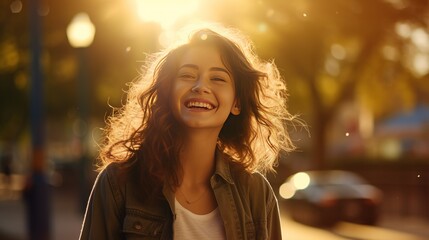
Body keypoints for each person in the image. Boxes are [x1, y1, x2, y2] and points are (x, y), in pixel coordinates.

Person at [79, 23, 296, 240]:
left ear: (236, 103)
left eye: (218, 78)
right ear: (168, 91)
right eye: (187, 75)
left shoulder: (256, 194)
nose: (200, 86)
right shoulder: (119, 182)